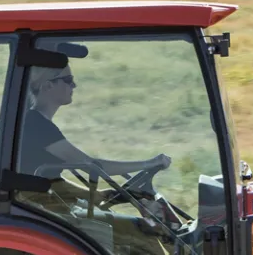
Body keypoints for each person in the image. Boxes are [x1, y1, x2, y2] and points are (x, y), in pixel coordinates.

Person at [18, 63, 170, 181]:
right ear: (48, 86)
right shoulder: (37, 126)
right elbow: (94, 167)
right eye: (68, 80)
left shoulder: (36, 121)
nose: (74, 85)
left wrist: (104, 196)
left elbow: (55, 183)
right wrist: (149, 163)